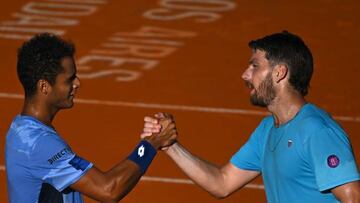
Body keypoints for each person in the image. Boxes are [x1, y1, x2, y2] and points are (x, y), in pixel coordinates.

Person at [142, 31, 360, 202]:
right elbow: (222, 183)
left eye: (254, 66)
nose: (245, 74)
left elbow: (352, 197)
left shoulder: (317, 130)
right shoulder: (267, 130)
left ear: (279, 72)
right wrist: (171, 146)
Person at [5, 33, 177, 203]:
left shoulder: (21, 128)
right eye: (69, 79)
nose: (77, 83)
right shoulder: (38, 144)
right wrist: (151, 143)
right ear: (44, 86)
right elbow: (109, 190)